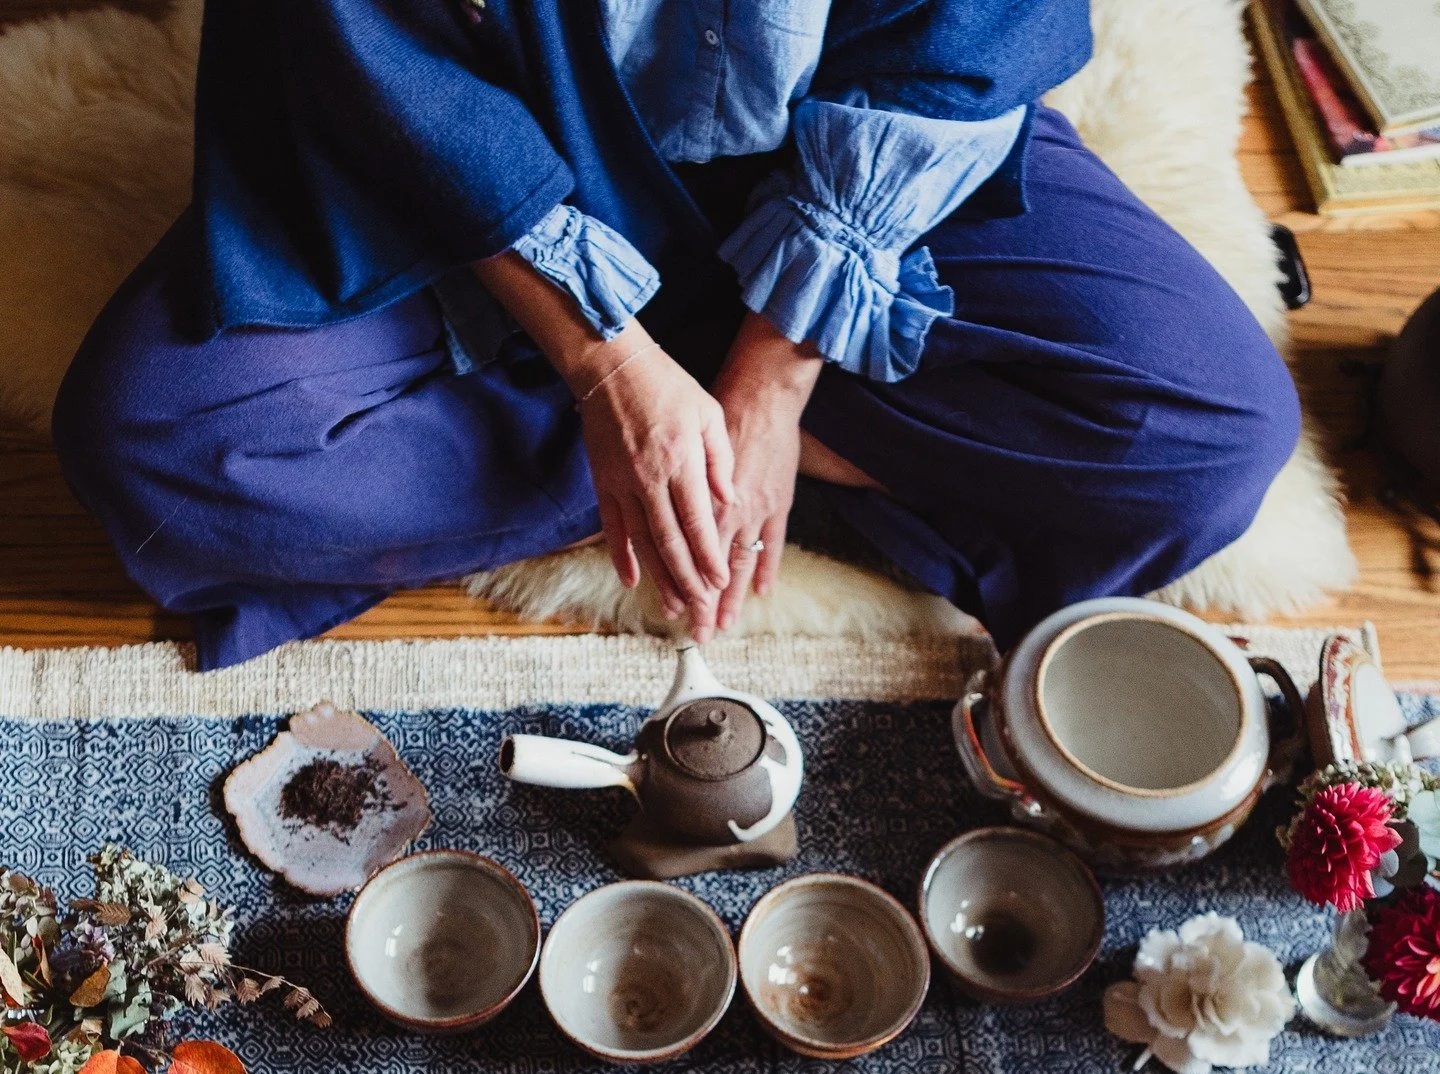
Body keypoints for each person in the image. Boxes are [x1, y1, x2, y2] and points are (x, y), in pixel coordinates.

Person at [52, 0, 1300, 672]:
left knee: (1211, 434)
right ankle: (691, 462)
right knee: (163, 446)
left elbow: (967, 35)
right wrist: (604, 365)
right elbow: (376, 57)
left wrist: (776, 373)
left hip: (851, 146)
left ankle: (712, 457)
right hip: (508, 161)